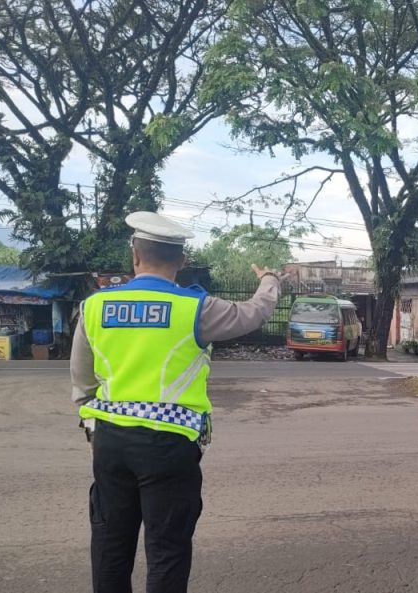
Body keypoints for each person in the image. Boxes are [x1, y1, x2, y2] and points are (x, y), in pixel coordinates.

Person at [71, 211, 287, 593]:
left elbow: (83, 380)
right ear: (182, 262)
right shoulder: (196, 309)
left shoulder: (95, 307)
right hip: (169, 445)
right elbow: (254, 313)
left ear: (134, 255)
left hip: (110, 442)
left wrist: (95, 423)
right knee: (167, 548)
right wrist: (269, 281)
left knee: (110, 544)